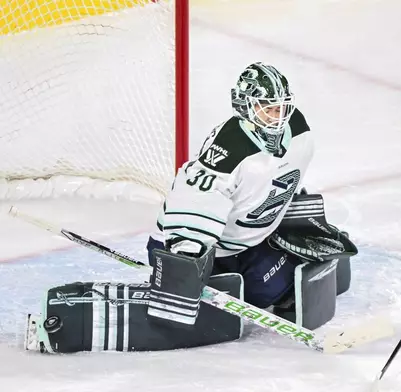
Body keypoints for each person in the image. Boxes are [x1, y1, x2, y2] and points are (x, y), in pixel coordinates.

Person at [25, 62, 356, 353]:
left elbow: (284, 181)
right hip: (195, 246)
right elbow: (193, 198)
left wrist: (294, 212)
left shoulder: (298, 132)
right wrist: (187, 254)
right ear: (245, 106)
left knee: (268, 287)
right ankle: (87, 310)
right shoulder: (228, 150)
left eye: (281, 107)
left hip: (247, 245)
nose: (277, 116)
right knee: (198, 314)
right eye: (267, 108)